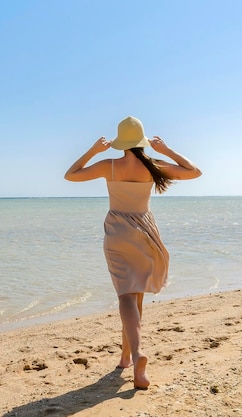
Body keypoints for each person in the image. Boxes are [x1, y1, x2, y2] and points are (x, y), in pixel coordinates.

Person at [64, 116, 201, 389]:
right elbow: (194, 171)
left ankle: (136, 353)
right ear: (142, 141)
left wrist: (93, 151)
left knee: (126, 295)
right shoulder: (153, 166)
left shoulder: (109, 165)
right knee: (135, 296)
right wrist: (166, 150)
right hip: (145, 231)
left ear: (120, 143)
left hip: (117, 231)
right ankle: (127, 357)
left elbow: (71, 175)